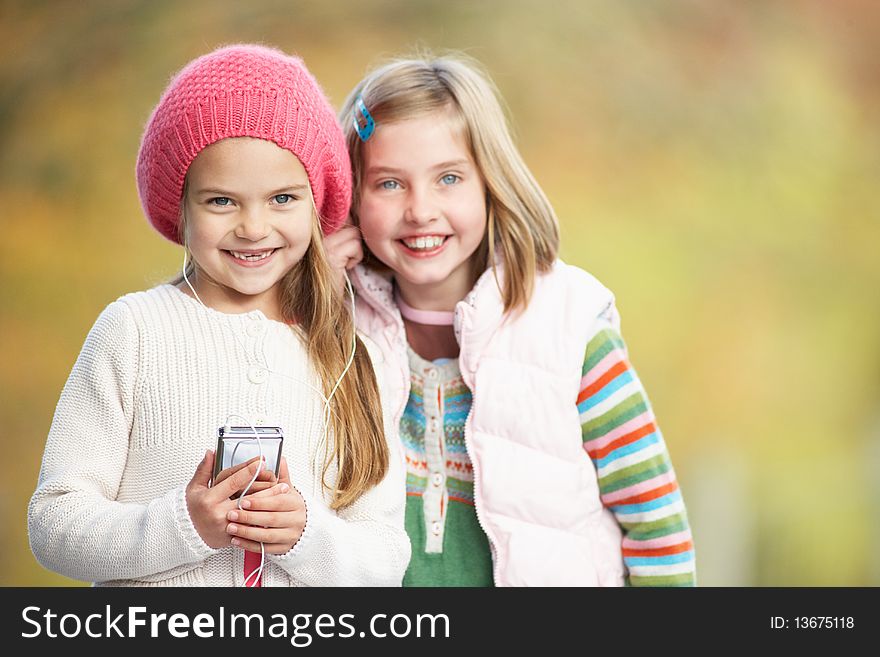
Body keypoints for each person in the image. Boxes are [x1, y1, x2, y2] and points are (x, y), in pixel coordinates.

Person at [28, 44, 409, 587]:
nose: (253, 227)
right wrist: (181, 526)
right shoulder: (133, 332)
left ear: (317, 200)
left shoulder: (351, 356)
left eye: (282, 198)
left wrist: (306, 537)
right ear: (179, 208)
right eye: (221, 201)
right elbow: (54, 522)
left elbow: (385, 557)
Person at [330, 54, 696, 586]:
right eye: (389, 184)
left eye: (449, 178)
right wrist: (309, 286)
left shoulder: (566, 326)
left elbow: (655, 521)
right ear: (351, 198)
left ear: (489, 183)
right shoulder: (334, 328)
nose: (420, 209)